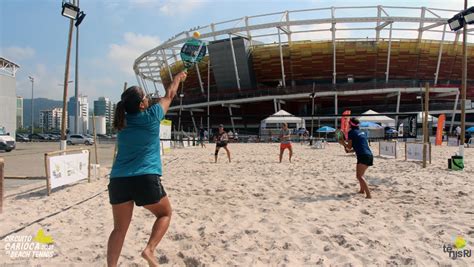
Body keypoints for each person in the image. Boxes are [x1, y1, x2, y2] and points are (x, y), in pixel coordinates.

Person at [107, 72, 187, 267]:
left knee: (119, 230)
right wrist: (177, 78)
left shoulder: (121, 122)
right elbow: (170, 94)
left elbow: (164, 96)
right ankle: (149, 249)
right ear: (142, 105)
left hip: (118, 180)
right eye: (145, 97)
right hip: (144, 177)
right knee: (165, 213)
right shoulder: (152, 116)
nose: (148, 99)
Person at [341, 117, 372, 199]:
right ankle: (362, 190)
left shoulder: (351, 133)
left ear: (350, 124)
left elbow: (349, 146)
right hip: (369, 155)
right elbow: (358, 147)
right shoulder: (363, 132)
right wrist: (349, 151)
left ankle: (368, 195)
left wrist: (343, 143)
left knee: (359, 176)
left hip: (362, 156)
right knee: (361, 175)